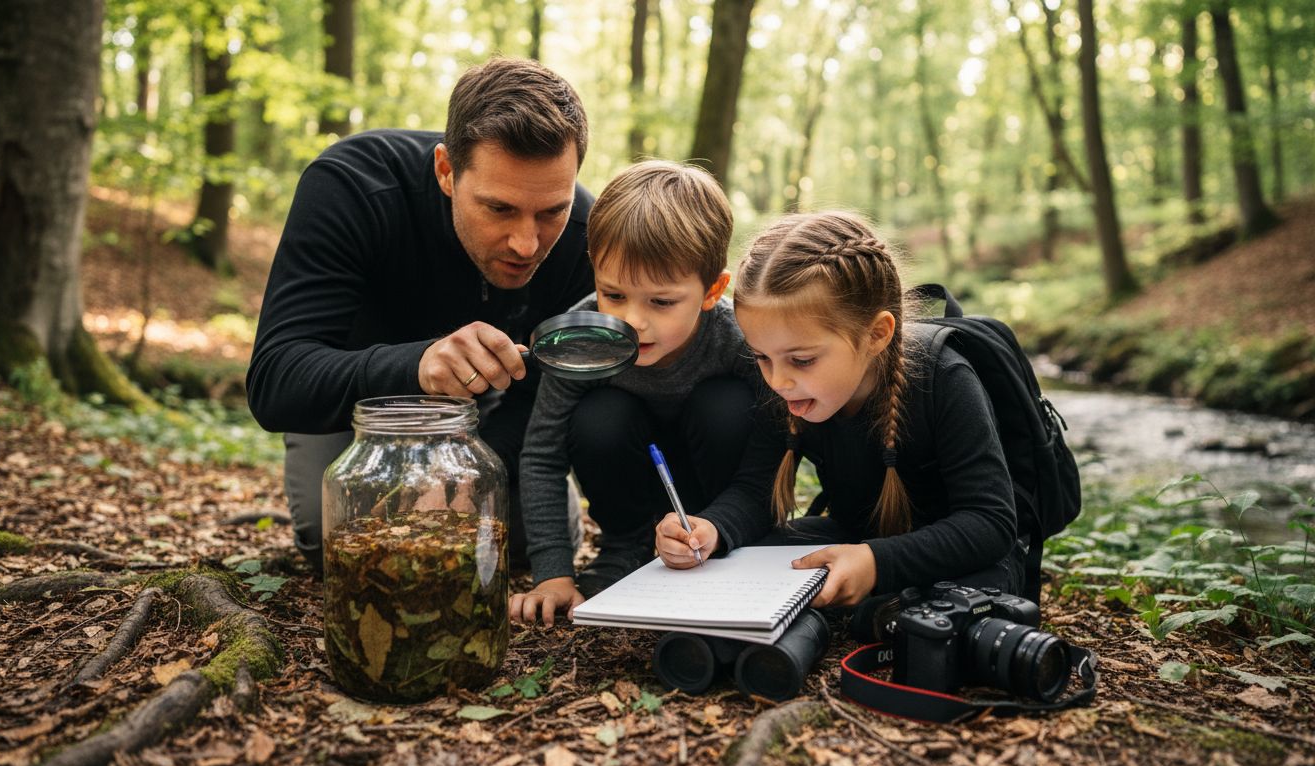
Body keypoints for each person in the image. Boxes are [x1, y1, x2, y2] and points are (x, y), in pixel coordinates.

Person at [246, 58, 595, 570]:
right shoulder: (351, 187)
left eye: (551, 212)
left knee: (521, 544)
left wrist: (462, 474)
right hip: (353, 408)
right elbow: (277, 382)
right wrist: (419, 365)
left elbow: (547, 398)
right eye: (498, 209)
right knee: (343, 541)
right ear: (446, 171)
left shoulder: (585, 233)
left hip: (487, 418)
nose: (527, 243)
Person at [654, 211, 1033, 607]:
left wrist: (876, 561)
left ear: (876, 335)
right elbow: (755, 489)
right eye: (761, 357)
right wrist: (711, 529)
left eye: (802, 360)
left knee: (951, 604)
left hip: (955, 553)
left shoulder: (946, 379)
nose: (777, 380)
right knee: (742, 555)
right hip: (854, 538)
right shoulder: (788, 387)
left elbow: (990, 522)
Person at [510, 160, 758, 626]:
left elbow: (773, 452)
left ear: (712, 290)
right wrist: (552, 574)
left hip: (720, 504)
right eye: (614, 294)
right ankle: (627, 549)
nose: (633, 321)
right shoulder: (581, 338)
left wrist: (728, 523)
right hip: (631, 484)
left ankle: (727, 548)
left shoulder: (736, 340)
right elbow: (542, 455)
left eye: (661, 302)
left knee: (727, 406)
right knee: (601, 414)